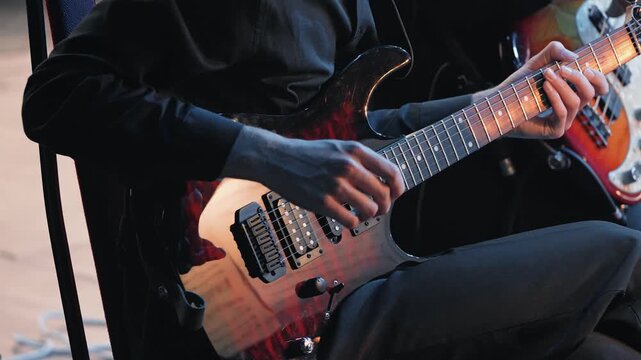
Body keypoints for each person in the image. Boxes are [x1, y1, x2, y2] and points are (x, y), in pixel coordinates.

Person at [21, 0, 641, 359]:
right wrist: (261, 155)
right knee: (622, 251)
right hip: (249, 323)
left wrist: (498, 109)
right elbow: (57, 95)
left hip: (334, 282)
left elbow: (347, 136)